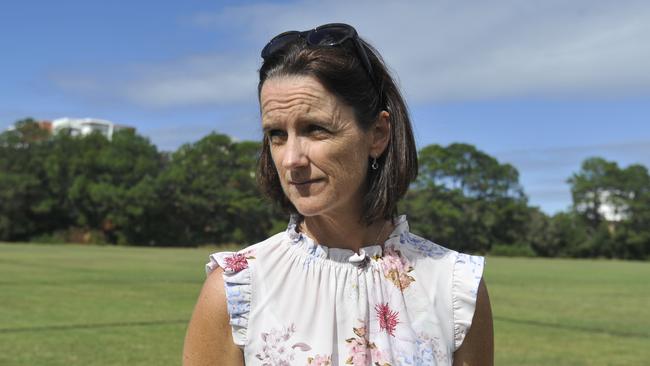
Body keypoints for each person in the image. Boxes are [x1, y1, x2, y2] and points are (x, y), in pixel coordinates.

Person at [183, 23, 493, 366]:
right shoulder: (236, 288)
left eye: (315, 129)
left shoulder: (455, 288)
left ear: (377, 133)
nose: (291, 159)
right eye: (276, 134)